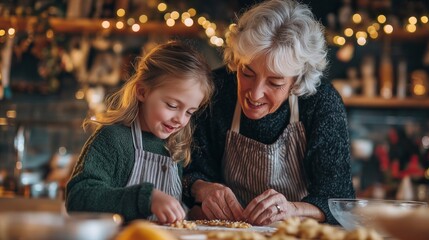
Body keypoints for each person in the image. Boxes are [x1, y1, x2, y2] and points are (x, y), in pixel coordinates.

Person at [183, 0, 355, 226]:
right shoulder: (216, 91)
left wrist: (291, 209)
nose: (254, 94)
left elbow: (338, 202)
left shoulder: (321, 102)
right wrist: (202, 189)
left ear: (297, 81)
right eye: (247, 73)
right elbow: (186, 173)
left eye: (274, 82)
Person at [66, 41, 214, 224]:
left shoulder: (174, 147)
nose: (180, 119)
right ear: (142, 91)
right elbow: (78, 197)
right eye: (172, 105)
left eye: (190, 112)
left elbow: (173, 210)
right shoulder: (114, 140)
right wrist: (145, 198)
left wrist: (195, 213)